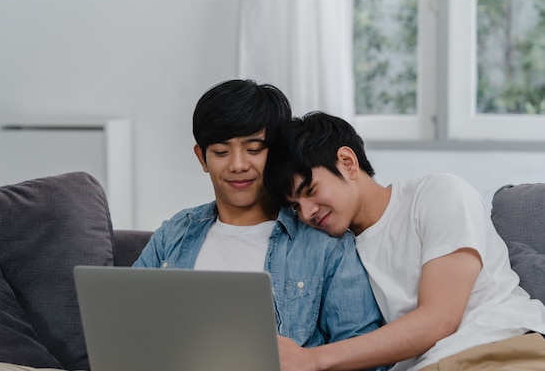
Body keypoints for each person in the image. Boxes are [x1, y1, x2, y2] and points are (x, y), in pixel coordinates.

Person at [263, 110, 545, 371]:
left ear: (348, 163)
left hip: (501, 349)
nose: (308, 212)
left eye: (311, 190)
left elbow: (439, 319)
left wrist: (312, 359)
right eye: (296, 206)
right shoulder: (340, 254)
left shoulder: (438, 193)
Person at [134, 80, 386, 365]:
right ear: (202, 158)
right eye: (220, 152)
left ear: (276, 154)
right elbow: (126, 326)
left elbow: (364, 355)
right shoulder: (175, 233)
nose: (238, 165)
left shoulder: (323, 242)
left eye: (253, 150)